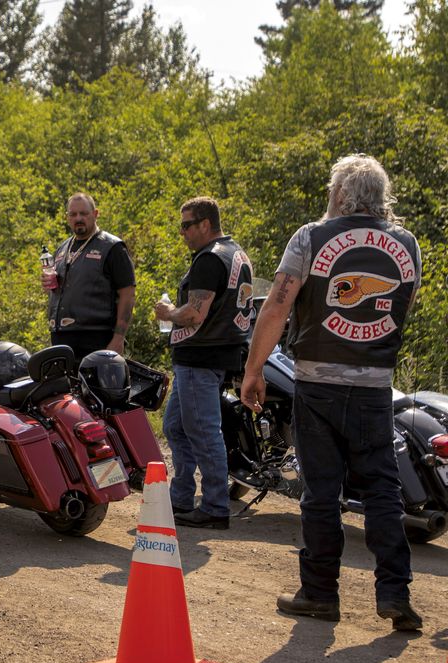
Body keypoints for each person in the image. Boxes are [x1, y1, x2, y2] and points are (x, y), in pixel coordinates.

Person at [240, 154, 422, 631]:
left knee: (321, 491)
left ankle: (320, 594)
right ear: (380, 198)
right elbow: (402, 310)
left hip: (318, 382)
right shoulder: (408, 244)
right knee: (383, 489)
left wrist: (254, 370)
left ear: (338, 194)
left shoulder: (310, 236)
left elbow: (277, 307)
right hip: (376, 386)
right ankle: (394, 594)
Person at [154, 196, 253, 530]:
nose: (182, 232)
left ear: (205, 224)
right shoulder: (234, 252)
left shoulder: (210, 259)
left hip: (201, 356)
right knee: (175, 427)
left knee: (203, 432)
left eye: (186, 225)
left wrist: (168, 313)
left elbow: (195, 314)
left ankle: (213, 506)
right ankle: (182, 497)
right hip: (209, 355)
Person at [42, 193, 136, 359]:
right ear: (67, 217)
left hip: (96, 337)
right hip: (61, 337)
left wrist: (119, 338)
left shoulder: (112, 247)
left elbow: (127, 294)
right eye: (73, 214)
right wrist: (50, 283)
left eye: (83, 213)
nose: (78, 218)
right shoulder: (62, 249)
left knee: (95, 385)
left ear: (95, 214)